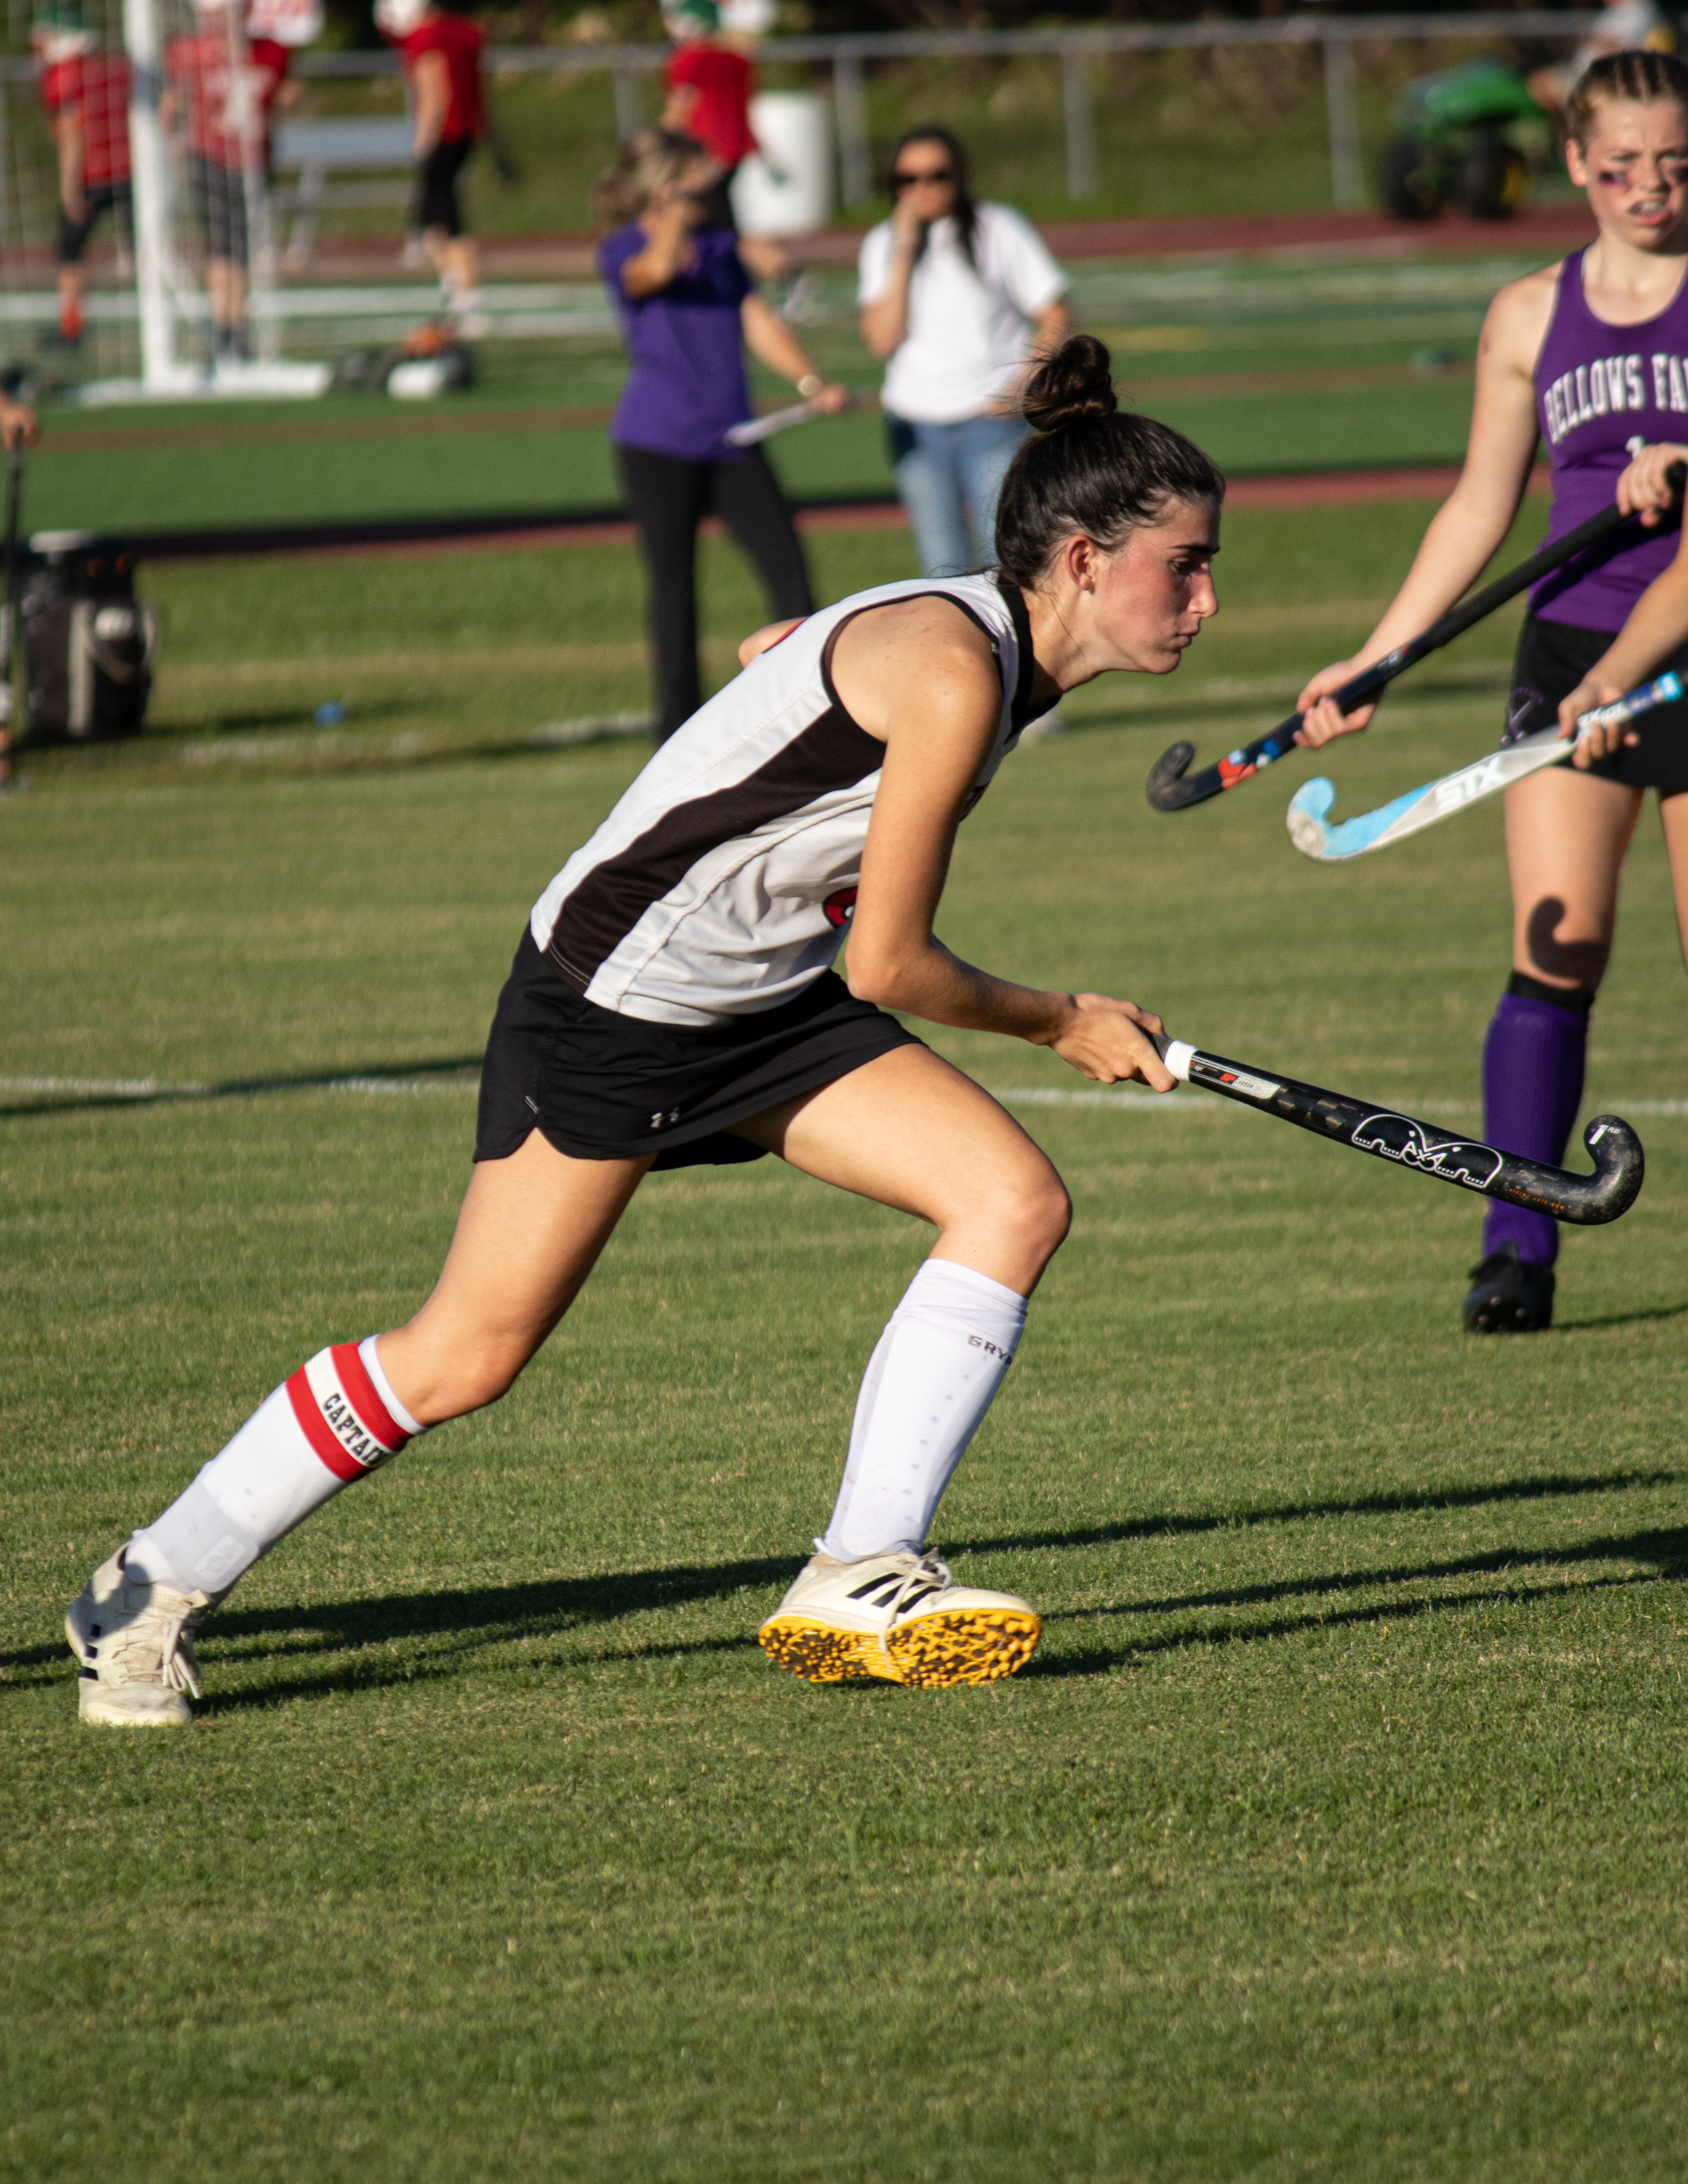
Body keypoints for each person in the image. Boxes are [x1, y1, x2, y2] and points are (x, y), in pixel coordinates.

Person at [65, 334, 1225, 1726]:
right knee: (466, 1353)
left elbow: (776, 661)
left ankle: (859, 1567)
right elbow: (891, 959)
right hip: (620, 1003)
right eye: (1182, 566)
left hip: (762, 994)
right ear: (1083, 560)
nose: (1205, 600)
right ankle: (145, 1590)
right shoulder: (957, 670)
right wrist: (1060, 1020)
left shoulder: (976, 645)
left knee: (1011, 1200)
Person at [1297, 48, 1688, 1336]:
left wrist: (1626, 674)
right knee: (1551, 951)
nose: (1648, 186)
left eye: (1674, 162)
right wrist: (1378, 657)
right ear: (1572, 161)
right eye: (1619, 165)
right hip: (1568, 653)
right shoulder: (1526, 314)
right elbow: (1478, 504)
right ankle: (1516, 1249)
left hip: (1675, 659)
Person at [593, 127, 847, 741]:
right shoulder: (622, 249)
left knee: (788, 572)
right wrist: (676, 214)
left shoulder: (718, 248)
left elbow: (757, 322)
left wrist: (811, 381)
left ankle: (810, 709)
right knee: (674, 590)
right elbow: (654, 272)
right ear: (664, 188)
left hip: (733, 440)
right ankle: (675, 730)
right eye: (691, 181)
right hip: (656, 443)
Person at [859, 127, 1070, 580]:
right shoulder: (882, 243)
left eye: (937, 175)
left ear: (958, 175)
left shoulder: (997, 228)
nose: (923, 188)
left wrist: (1020, 387)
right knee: (943, 571)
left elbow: (1055, 312)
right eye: (908, 179)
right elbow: (882, 340)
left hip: (991, 422)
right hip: (916, 424)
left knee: (1011, 563)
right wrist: (903, 251)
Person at [164, 0, 292, 363]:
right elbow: (171, 105)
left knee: (241, 247)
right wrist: (175, 142)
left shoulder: (268, 52)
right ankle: (225, 324)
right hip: (210, 156)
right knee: (221, 244)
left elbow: (279, 101)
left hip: (250, 161)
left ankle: (237, 324)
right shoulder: (192, 52)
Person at [375, 0, 484, 330]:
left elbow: (434, 89)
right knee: (444, 212)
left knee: (438, 214)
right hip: (465, 130)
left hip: (445, 131)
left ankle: (459, 284)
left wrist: (424, 139)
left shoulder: (425, 36)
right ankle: (459, 282)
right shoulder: (459, 29)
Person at [32, 0, 132, 355]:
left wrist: (68, 188)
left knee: (70, 254)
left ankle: (71, 328)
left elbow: (71, 134)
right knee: (140, 250)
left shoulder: (63, 76)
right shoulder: (114, 67)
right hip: (131, 172)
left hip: (91, 176)